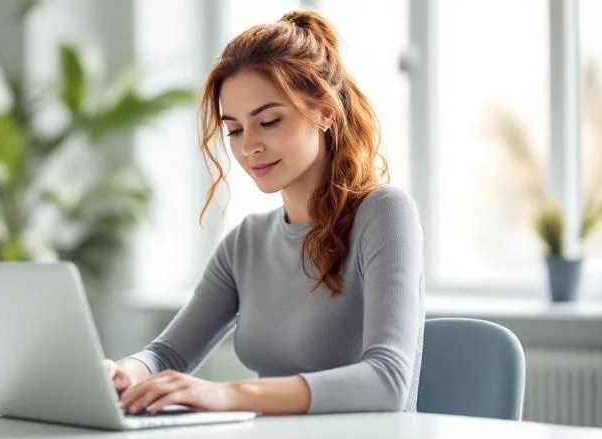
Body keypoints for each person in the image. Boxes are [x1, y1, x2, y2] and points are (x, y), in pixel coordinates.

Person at [105, 9, 425, 416]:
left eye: (269, 121)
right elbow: (166, 354)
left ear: (325, 112)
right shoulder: (246, 242)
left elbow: (387, 381)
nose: (248, 147)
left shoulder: (384, 214)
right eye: (235, 130)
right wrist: (123, 373)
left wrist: (227, 394)